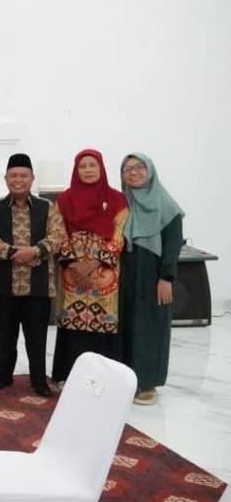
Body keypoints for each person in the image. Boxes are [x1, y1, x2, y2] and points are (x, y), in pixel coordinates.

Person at [0, 153, 66, 397]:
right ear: (6, 178)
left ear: (32, 178)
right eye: (13, 176)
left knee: (37, 336)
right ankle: (3, 376)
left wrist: (35, 251)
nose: (18, 180)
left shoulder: (47, 207)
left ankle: (39, 381)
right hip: (4, 284)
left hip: (38, 285)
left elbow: (58, 237)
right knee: (6, 335)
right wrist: (16, 253)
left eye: (23, 175)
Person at [51, 149, 129, 383]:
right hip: (71, 270)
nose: (87, 170)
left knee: (103, 322)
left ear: (101, 168)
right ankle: (69, 376)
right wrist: (74, 264)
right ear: (76, 170)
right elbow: (58, 232)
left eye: (92, 165)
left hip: (105, 270)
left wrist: (95, 263)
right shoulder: (64, 200)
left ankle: (103, 379)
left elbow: (119, 235)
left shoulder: (117, 199)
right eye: (82, 166)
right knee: (72, 322)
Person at [119, 153, 184, 406]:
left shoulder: (166, 206)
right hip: (123, 275)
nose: (133, 172)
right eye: (127, 169)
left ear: (150, 171)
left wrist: (166, 278)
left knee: (150, 326)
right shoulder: (121, 204)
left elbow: (173, 245)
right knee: (124, 325)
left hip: (152, 274)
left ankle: (147, 383)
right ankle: (125, 379)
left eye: (139, 167)